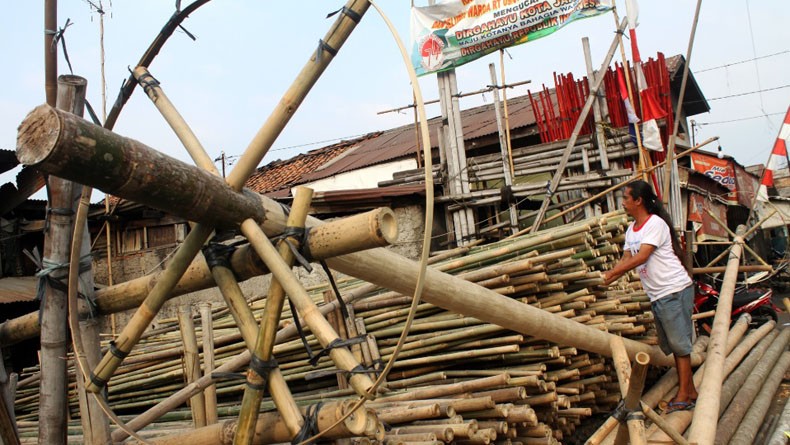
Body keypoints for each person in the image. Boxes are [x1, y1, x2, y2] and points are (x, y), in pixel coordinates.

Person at [603, 180, 697, 413]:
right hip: (658, 294)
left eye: (626, 198)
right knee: (674, 345)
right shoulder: (631, 230)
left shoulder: (654, 224)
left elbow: (642, 256)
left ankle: (685, 394)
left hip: (673, 289)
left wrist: (612, 273)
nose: (623, 203)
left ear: (638, 201)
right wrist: (603, 280)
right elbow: (626, 259)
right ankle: (690, 390)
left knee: (679, 345)